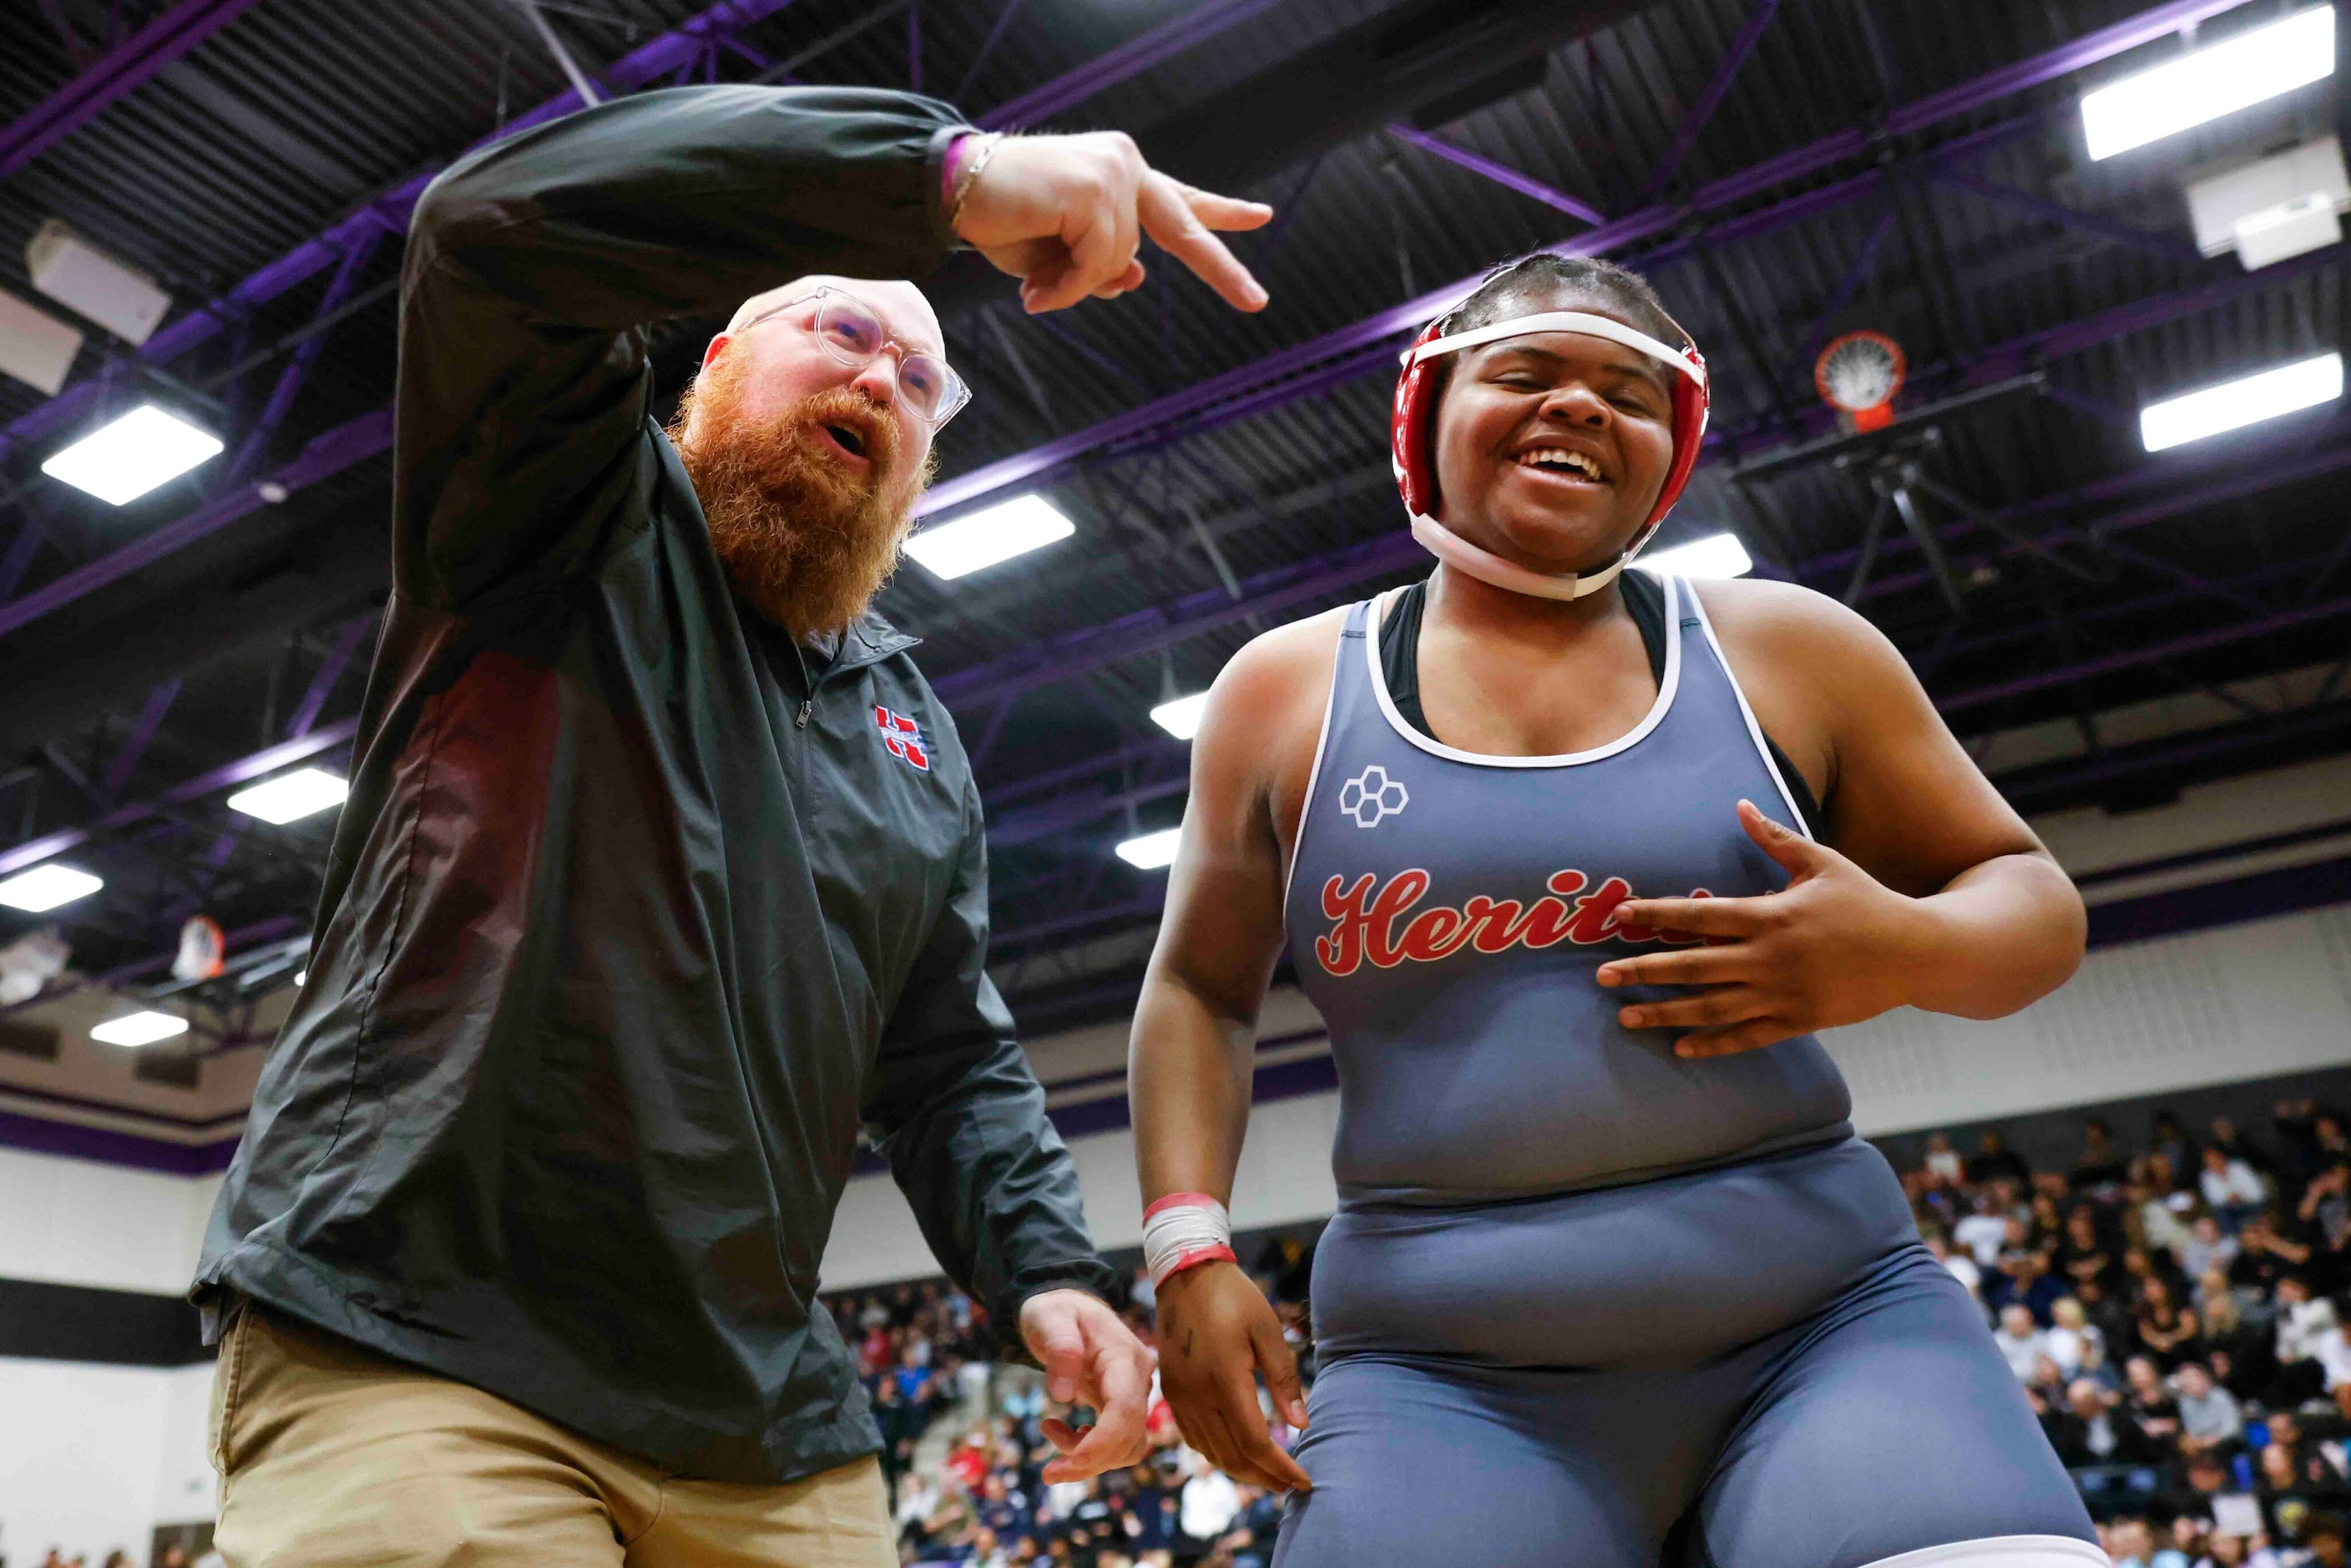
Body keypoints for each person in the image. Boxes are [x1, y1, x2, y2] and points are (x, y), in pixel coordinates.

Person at [190, 83, 1276, 1567]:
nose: (885, 377)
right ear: (709, 364)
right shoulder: (553, 512)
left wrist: (1043, 1271)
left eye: (920, 378)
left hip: (757, 1423)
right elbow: (488, 232)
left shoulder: (916, 741)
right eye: (840, 330)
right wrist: (948, 176)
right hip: (421, 1341)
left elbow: (945, 1057)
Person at [1126, 251, 2100, 1565]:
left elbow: (2035, 901)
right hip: (1445, 1373)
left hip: (1819, 1323)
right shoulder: (1284, 693)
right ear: (1426, 416)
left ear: (1671, 453)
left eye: (1628, 395)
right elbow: (1197, 988)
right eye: (1527, 373)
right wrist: (1187, 1245)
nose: (1580, 406)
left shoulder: (1791, 646)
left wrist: (1907, 947)